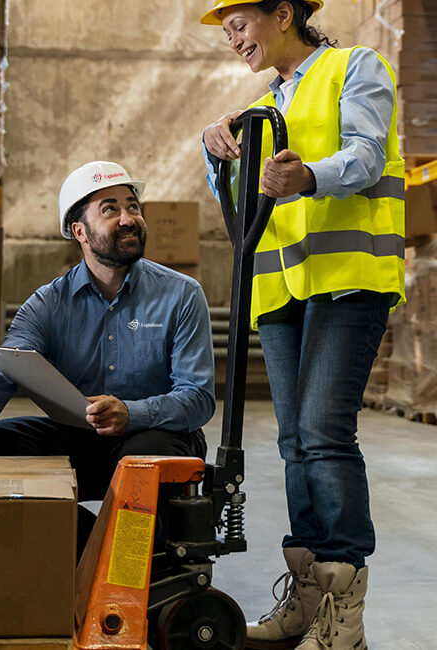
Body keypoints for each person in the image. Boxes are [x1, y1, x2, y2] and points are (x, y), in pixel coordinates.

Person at [200, 1, 405, 649]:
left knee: (322, 433)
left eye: (241, 24)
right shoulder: (265, 103)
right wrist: (216, 156)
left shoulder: (355, 67)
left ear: (283, 13)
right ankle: (308, 596)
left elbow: (368, 156)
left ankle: (346, 613)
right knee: (293, 441)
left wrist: (310, 175)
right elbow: (246, 200)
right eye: (227, 31)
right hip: (284, 286)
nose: (234, 40)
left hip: (349, 279)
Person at [0, 160, 215, 553]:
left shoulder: (181, 295)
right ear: (79, 231)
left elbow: (198, 398)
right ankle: (89, 550)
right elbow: (8, 364)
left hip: (156, 437)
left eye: (133, 206)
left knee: (140, 460)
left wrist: (130, 413)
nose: (129, 218)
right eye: (110, 209)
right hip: (79, 438)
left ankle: (133, 565)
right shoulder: (48, 303)